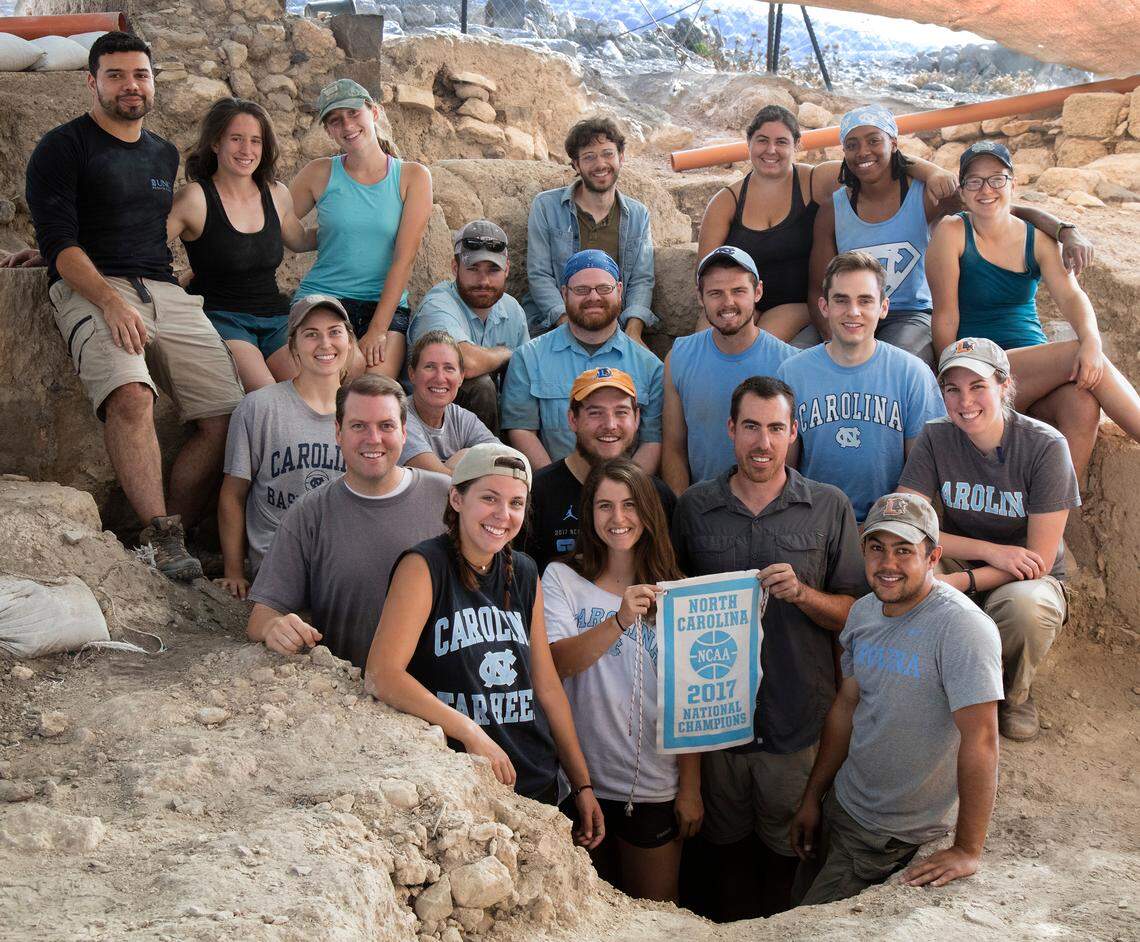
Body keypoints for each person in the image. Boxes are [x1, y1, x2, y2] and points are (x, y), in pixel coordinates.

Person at [6, 31, 244, 581]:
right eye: (115, 75)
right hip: (94, 290)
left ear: (153, 81)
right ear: (92, 83)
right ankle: (160, 536)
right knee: (132, 395)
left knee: (228, 414)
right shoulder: (62, 147)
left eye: (140, 74)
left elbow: (143, 230)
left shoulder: (162, 152)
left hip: (163, 288)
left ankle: (173, 531)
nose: (130, 85)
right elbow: (61, 241)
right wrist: (108, 300)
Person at [671, 375, 866, 920]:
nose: (763, 442)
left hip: (796, 726)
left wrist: (803, 594)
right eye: (751, 427)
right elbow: (672, 613)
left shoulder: (829, 506)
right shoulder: (694, 508)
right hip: (717, 731)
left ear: (794, 432)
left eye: (776, 428)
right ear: (731, 430)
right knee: (723, 860)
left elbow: (856, 613)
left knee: (789, 862)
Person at [364, 443, 606, 846]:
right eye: (489, 498)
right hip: (462, 787)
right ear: (457, 498)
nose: (502, 514)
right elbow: (383, 674)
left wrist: (582, 784)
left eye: (515, 503)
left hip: (535, 781)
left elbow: (547, 687)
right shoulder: (424, 566)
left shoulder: (524, 572)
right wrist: (471, 733)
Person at [790, 492, 1002, 905]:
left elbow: (982, 740)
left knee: (808, 923)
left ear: (933, 556)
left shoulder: (962, 629)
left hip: (889, 834)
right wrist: (813, 797)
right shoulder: (864, 612)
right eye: (877, 548)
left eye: (904, 550)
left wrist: (967, 849)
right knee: (795, 906)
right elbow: (847, 708)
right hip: (843, 805)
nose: (888, 563)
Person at [809, 105, 1093, 367]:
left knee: (896, 365)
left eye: (874, 140)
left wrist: (1064, 230)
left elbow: (997, 210)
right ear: (843, 150)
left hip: (909, 314)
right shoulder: (832, 211)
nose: (863, 151)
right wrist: (830, 340)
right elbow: (817, 287)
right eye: (852, 145)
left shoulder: (926, 196)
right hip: (851, 312)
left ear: (893, 143)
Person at [898, 337, 1081, 741]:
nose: (965, 401)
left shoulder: (1045, 446)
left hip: (1028, 575)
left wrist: (960, 582)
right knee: (902, 569)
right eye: (953, 389)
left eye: (978, 386)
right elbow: (909, 525)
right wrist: (988, 552)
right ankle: (933, 684)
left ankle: (1013, 694)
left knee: (1025, 608)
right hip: (968, 556)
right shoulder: (936, 437)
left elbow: (1038, 560)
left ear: (1004, 385)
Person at [928, 141, 1140, 480]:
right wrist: (951, 377)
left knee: (1082, 404)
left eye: (996, 179)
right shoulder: (953, 232)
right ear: (963, 192)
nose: (986, 189)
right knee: (1074, 351)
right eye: (975, 181)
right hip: (978, 365)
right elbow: (945, 316)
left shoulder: (1038, 239)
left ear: (1013, 184)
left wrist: (1092, 341)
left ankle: (1058, 509)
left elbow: (1072, 297)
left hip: (1030, 372)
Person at [543, 458, 702, 902]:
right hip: (580, 781)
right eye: (605, 506)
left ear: (649, 512)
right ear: (589, 514)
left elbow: (690, 698)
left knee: (656, 914)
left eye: (630, 504)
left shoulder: (677, 591)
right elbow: (558, 664)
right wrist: (619, 619)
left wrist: (690, 788)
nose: (618, 517)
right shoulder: (562, 578)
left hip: (653, 783)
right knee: (584, 915)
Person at [696, 104, 958, 342]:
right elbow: (704, 273)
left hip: (795, 305)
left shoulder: (816, 179)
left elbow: (878, 163)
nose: (771, 150)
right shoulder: (727, 201)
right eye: (762, 140)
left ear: (797, 145)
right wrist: (736, 305)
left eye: (781, 142)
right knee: (705, 345)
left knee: (760, 346)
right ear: (748, 143)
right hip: (741, 299)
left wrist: (933, 172)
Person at [246, 374, 450, 668]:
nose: (373, 438)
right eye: (358, 426)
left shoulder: (447, 498)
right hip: (352, 687)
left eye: (386, 426)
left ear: (404, 432)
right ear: (338, 432)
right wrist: (275, 628)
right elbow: (261, 616)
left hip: (442, 687)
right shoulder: (309, 513)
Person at [777, 252, 945, 524]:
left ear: (883, 307)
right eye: (841, 300)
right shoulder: (792, 373)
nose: (853, 311)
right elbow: (783, 471)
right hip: (813, 524)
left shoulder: (912, 374)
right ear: (824, 306)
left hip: (891, 526)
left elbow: (923, 475)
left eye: (865, 300)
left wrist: (882, 527)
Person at [167, 97, 315, 392]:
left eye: (255, 141)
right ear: (215, 143)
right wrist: (172, 287)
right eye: (236, 139)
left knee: (310, 387)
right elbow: (144, 247)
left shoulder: (276, 193)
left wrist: (347, 228)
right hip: (223, 317)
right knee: (267, 393)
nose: (247, 150)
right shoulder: (194, 198)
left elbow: (299, 240)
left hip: (274, 316)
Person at [290, 78, 432, 378]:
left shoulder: (412, 177)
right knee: (329, 376)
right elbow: (275, 222)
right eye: (335, 120)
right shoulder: (319, 172)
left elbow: (404, 258)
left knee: (375, 387)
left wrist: (378, 330)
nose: (347, 125)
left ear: (374, 112)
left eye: (353, 113)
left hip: (382, 305)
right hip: (324, 298)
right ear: (328, 130)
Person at [217, 296, 354, 599]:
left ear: (349, 341)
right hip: (278, 560)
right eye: (311, 334)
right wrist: (234, 571)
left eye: (334, 332)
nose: (325, 344)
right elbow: (233, 494)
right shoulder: (260, 407)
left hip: (343, 559)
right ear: (292, 345)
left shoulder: (363, 411)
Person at [502, 250, 664, 474]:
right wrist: (557, 486)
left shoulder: (650, 367)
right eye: (581, 290)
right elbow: (521, 430)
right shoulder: (529, 358)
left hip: (625, 489)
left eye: (604, 288)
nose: (593, 297)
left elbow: (652, 440)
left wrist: (625, 489)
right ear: (564, 294)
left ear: (619, 291)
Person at [662, 246, 796, 494]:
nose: (728, 303)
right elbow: (673, 448)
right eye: (716, 293)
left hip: (768, 507)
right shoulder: (679, 357)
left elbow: (790, 457)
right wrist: (682, 509)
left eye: (738, 291)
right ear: (700, 297)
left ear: (758, 292)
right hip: (702, 507)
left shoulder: (789, 364)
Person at [522, 367, 676, 574]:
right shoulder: (536, 493)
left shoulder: (658, 496)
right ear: (573, 419)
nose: (610, 424)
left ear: (637, 419)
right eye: (595, 413)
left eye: (621, 412)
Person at [523, 116, 656, 343]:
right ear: (576, 164)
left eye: (608, 154)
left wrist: (633, 331)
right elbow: (539, 275)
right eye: (589, 157)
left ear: (621, 157)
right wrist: (568, 327)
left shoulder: (638, 215)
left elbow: (641, 279)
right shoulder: (546, 206)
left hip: (613, 327)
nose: (600, 164)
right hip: (555, 324)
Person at [407, 220, 529, 433]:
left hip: (498, 421)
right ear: (455, 267)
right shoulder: (438, 304)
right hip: (430, 424)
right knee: (479, 386)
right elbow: (467, 363)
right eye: (473, 269)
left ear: (507, 269)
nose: (484, 281)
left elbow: (528, 372)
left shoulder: (513, 310)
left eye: (493, 270)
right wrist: (506, 354)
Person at [400, 330, 497, 475]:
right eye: (430, 367)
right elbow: (438, 479)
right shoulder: (399, 417)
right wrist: (471, 460)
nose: (440, 378)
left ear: (461, 377)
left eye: (449, 368)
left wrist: (465, 455)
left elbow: (508, 459)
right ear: (412, 374)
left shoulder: (462, 419)